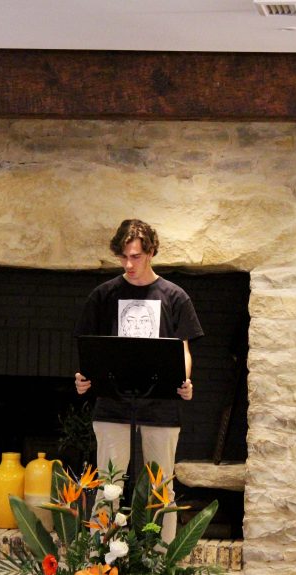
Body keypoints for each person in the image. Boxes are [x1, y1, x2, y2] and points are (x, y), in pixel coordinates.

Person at [74, 219, 203, 543]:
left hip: (161, 407)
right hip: (112, 405)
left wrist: (184, 380)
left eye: (136, 257)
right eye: (123, 257)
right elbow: (90, 350)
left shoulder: (174, 297)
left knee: (162, 491)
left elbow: (183, 349)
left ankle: (162, 560)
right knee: (108, 487)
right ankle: (101, 558)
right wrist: (82, 378)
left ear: (151, 252)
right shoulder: (103, 296)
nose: (129, 265)